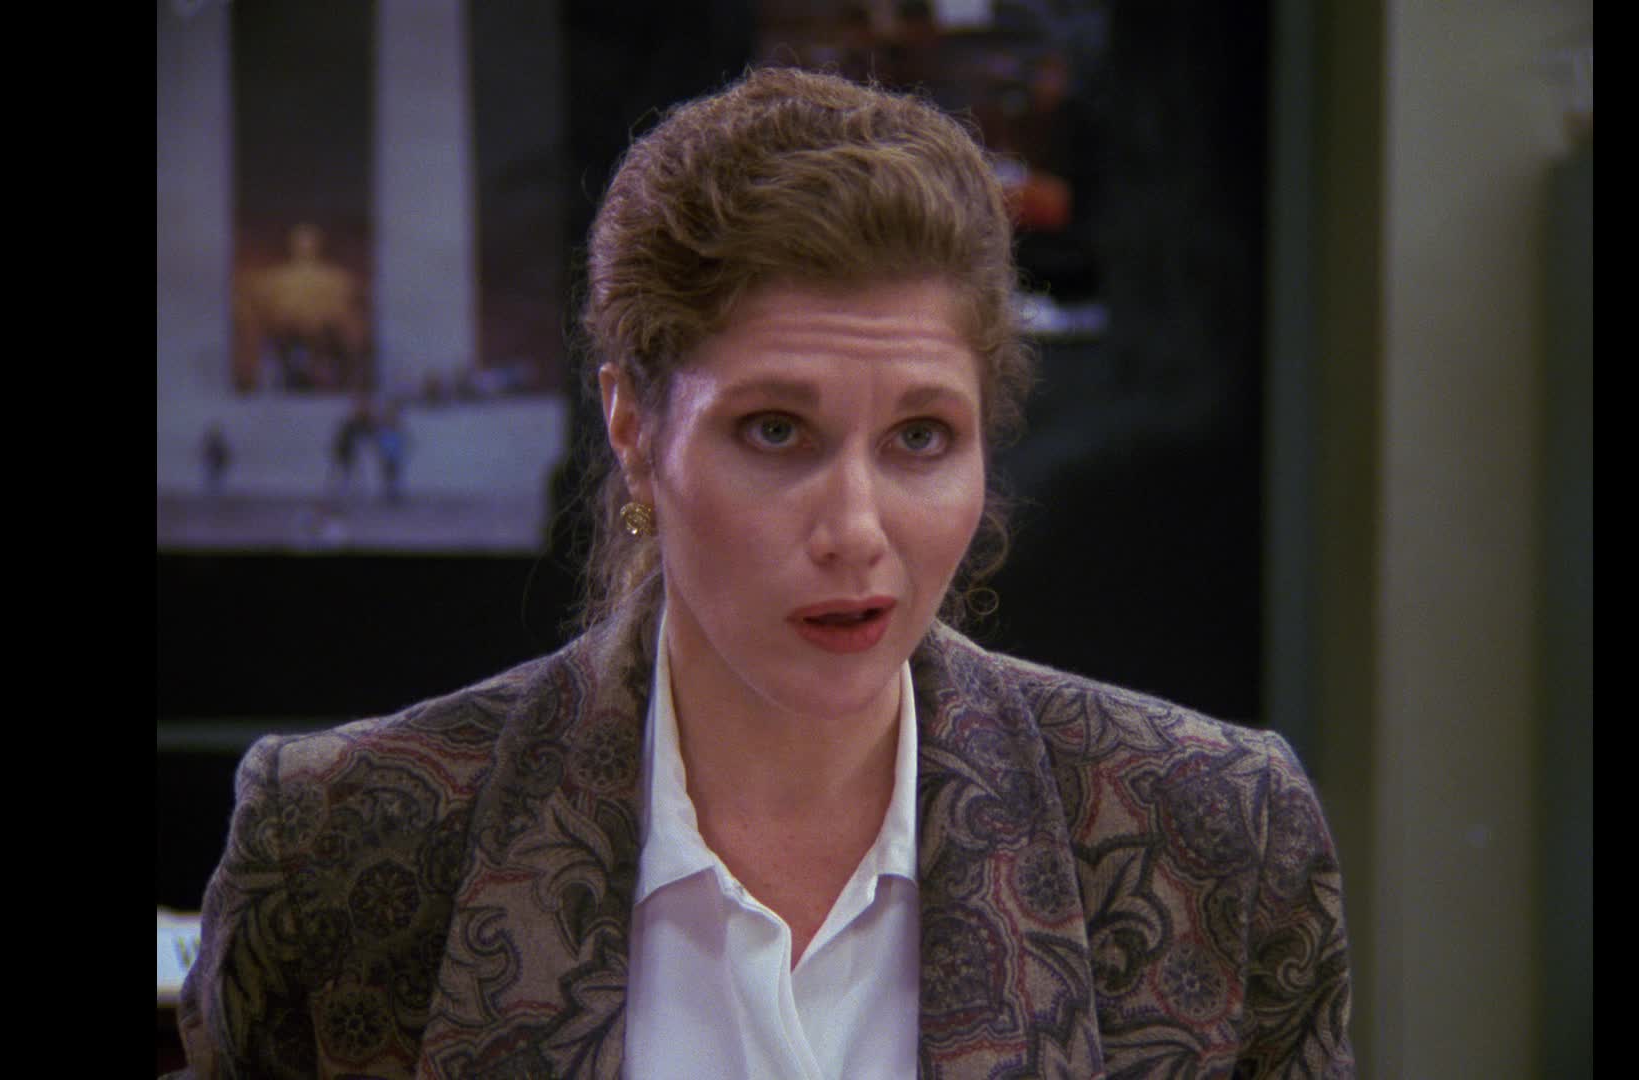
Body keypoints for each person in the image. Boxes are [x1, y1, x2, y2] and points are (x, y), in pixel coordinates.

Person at [174, 67, 1352, 1078]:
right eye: (777, 431)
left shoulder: (1211, 837)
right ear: (634, 427)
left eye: (921, 437)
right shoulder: (349, 848)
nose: (855, 529)